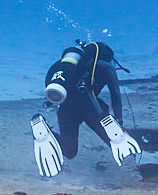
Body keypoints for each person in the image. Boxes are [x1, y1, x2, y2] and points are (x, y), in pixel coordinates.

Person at [31, 41, 139, 176]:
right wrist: (119, 118)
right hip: (91, 107)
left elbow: (50, 84)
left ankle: (46, 131)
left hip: (67, 108)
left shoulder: (65, 66)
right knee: (115, 139)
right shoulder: (106, 67)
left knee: (69, 151)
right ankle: (133, 171)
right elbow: (115, 93)